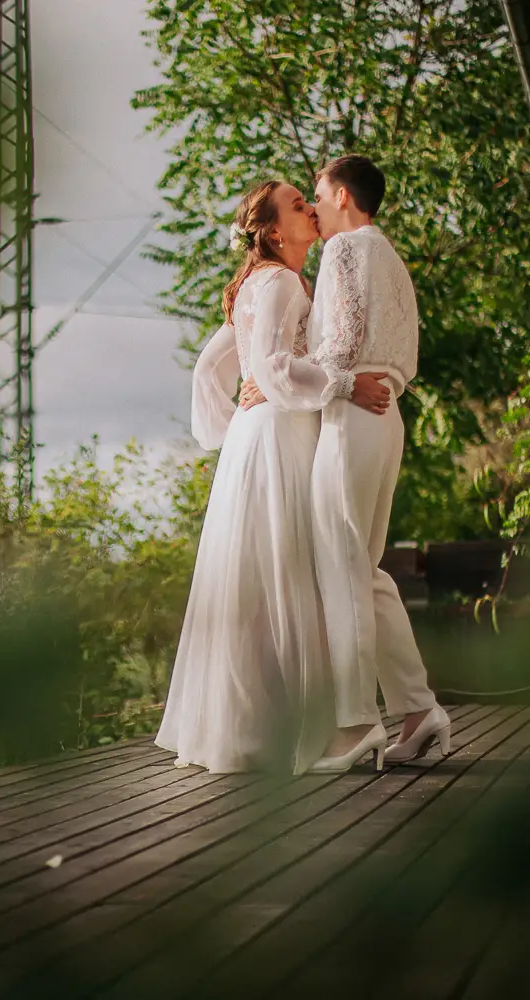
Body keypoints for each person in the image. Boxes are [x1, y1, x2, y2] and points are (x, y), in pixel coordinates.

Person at [155, 179, 394, 774]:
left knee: (262, 576)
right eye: (296, 206)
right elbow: (269, 365)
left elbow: (210, 370)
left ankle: (258, 724)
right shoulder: (282, 282)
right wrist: (341, 383)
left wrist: (234, 421)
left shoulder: (260, 286)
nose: (310, 210)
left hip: (256, 435)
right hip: (278, 435)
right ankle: (305, 728)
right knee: (291, 571)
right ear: (271, 232)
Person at [241, 155, 450, 771]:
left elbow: (342, 341)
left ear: (341, 195)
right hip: (388, 415)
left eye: (317, 197)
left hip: (355, 410)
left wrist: (315, 381)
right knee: (364, 566)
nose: (314, 207)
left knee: (340, 566)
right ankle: (417, 710)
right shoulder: (390, 256)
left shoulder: (345, 250)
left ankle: (358, 723)